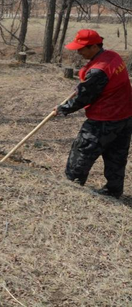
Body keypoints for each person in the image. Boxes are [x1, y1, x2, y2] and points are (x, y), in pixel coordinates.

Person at [53, 29, 132, 198]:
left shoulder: (98, 71)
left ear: (95, 46)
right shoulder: (113, 56)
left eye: (82, 48)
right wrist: (86, 82)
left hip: (103, 120)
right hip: (125, 117)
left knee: (82, 152)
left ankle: (71, 188)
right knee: (116, 156)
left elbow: (83, 98)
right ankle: (113, 190)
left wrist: (62, 109)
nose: (79, 52)